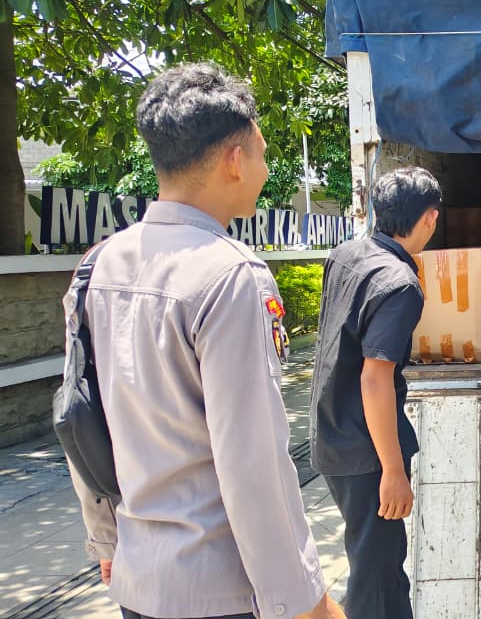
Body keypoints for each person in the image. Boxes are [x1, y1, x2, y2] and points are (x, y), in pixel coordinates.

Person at [66, 63, 344, 619]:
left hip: (139, 578)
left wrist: (104, 538)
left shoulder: (99, 265)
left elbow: (78, 415)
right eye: (262, 154)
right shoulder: (231, 276)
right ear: (234, 161)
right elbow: (253, 466)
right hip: (222, 591)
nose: (267, 170)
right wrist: (304, 599)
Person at [310, 167, 441, 619]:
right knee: (380, 575)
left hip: (332, 434)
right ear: (429, 219)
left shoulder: (347, 254)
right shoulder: (401, 285)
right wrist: (391, 470)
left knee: (372, 565)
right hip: (365, 451)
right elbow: (374, 377)